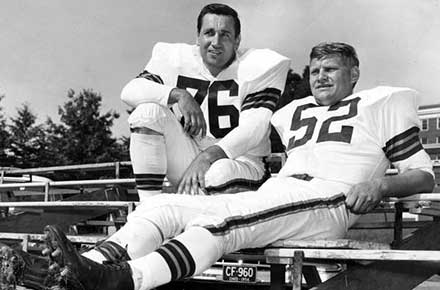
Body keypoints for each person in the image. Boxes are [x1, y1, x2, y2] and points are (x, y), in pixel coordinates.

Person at [1, 42, 434, 290]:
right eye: (315, 69)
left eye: (331, 69)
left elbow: (423, 174)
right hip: (281, 192)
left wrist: (380, 185)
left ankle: (121, 281)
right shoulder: (294, 110)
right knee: (161, 208)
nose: (320, 76)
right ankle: (72, 270)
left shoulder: (382, 103)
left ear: (354, 72)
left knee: (225, 221)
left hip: (330, 199)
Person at [120, 3, 290, 200]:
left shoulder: (256, 65)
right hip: (191, 159)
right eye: (209, 33)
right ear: (198, 37)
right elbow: (129, 91)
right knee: (146, 113)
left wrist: (207, 157)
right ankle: (149, 207)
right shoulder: (175, 59)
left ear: (237, 41)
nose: (216, 42)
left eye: (225, 34)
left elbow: (253, 129)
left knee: (218, 172)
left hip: (242, 162)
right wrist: (179, 95)